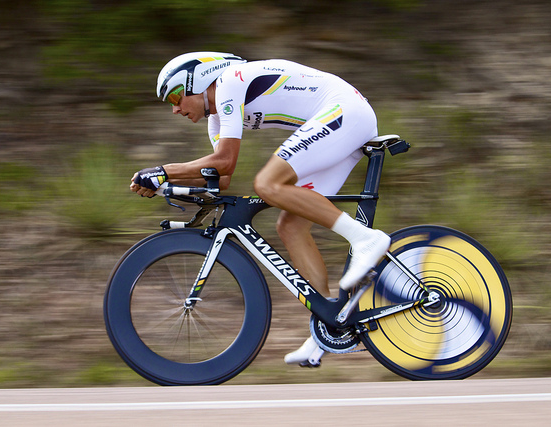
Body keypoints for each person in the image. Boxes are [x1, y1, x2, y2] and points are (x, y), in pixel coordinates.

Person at [130, 52, 391, 367]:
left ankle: (366, 239)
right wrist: (165, 184)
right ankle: (329, 324)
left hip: (345, 112)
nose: (175, 109)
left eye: (175, 96)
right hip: (342, 122)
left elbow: (224, 160)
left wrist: (164, 169)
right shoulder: (216, 119)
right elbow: (221, 177)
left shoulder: (228, 83)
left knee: (267, 184)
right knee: (290, 226)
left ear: (198, 81)